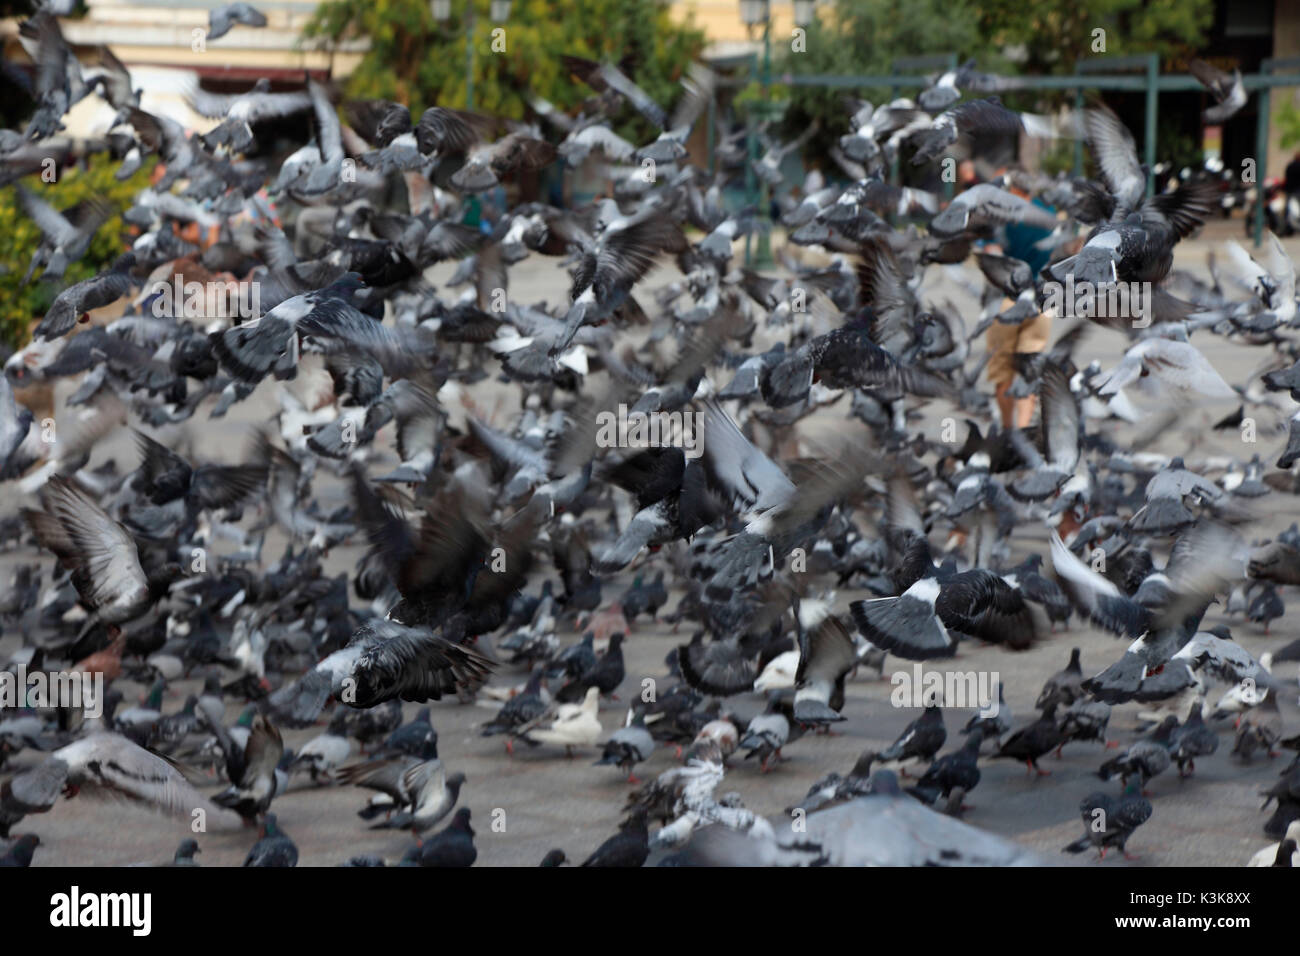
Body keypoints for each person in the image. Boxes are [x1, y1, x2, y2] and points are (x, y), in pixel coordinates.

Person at [985, 175, 1056, 429]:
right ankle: (1024, 430)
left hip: (1007, 301)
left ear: (1015, 190)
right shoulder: (1048, 213)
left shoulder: (1003, 214)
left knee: (1003, 373)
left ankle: (1007, 430)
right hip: (1042, 302)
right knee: (1028, 373)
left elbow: (989, 251)